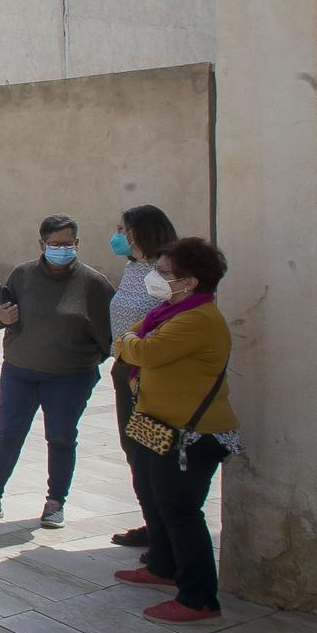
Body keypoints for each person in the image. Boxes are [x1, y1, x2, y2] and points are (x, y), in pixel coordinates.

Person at [112, 238, 238, 623]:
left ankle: (199, 598)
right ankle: (164, 567)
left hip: (192, 434)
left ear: (190, 281)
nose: (157, 278)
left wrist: (130, 342)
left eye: (165, 273)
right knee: (156, 499)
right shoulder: (169, 312)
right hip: (160, 426)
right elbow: (130, 335)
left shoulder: (197, 320)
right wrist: (130, 340)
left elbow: (141, 350)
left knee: (181, 510)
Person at [0, 215, 115, 528]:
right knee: (8, 435)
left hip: (69, 377)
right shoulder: (22, 274)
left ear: (77, 243)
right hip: (19, 371)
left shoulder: (93, 283)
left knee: (60, 438)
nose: (62, 249)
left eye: (68, 243)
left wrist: (80, 362)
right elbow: (0, 315)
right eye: (55, 244)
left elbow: (107, 336)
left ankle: (55, 502)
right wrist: (1, 317)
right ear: (41, 244)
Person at [107, 204, 180, 549]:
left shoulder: (165, 274)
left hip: (149, 375)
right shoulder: (134, 268)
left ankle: (164, 533)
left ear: (141, 233)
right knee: (134, 448)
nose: (118, 236)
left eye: (123, 229)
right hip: (125, 369)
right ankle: (152, 521)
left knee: (152, 450)